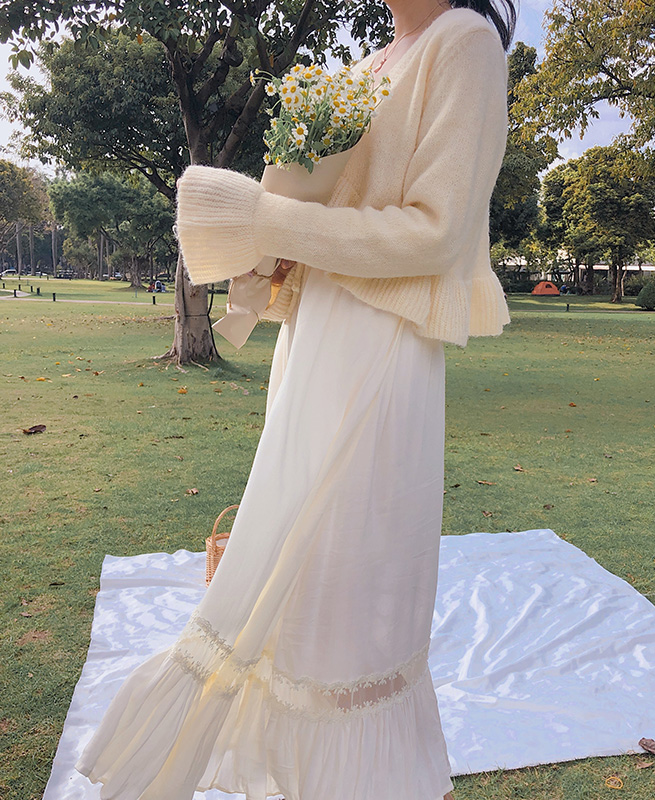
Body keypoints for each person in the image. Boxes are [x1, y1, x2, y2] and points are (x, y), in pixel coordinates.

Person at [75, 2, 513, 799]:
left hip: (382, 347)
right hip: (314, 339)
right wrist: (272, 252)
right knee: (301, 569)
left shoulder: (465, 42)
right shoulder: (371, 63)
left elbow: (438, 232)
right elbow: (330, 218)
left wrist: (269, 219)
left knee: (356, 569)